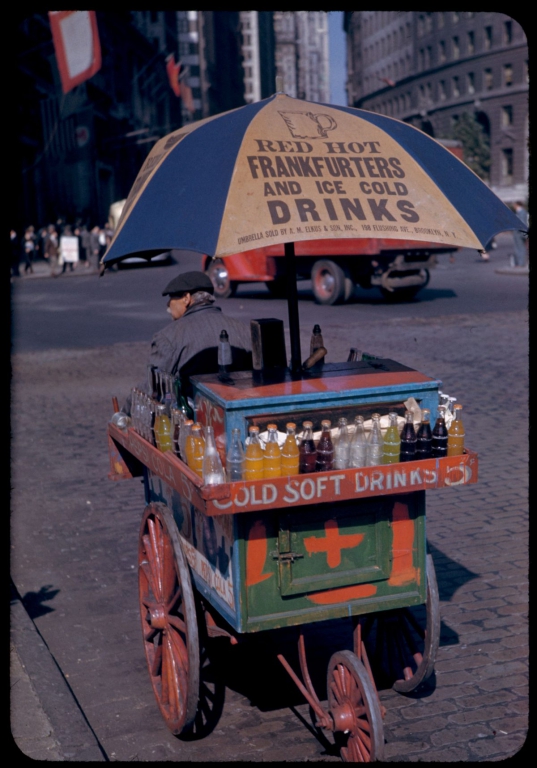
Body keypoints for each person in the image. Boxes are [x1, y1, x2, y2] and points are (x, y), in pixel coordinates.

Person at [122, 271, 252, 414]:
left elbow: (152, 386)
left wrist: (124, 412)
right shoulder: (243, 329)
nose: (168, 304)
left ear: (186, 298)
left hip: (193, 421)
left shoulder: (168, 337)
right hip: (240, 413)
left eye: (171, 297)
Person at [511, 201, 529, 267]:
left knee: (520, 248)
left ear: (517, 204)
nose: (513, 206)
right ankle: (519, 262)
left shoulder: (521, 212)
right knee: (519, 248)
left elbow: (522, 223)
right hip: (518, 233)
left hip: (519, 234)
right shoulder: (520, 212)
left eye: (514, 204)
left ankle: (521, 263)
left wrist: (523, 235)